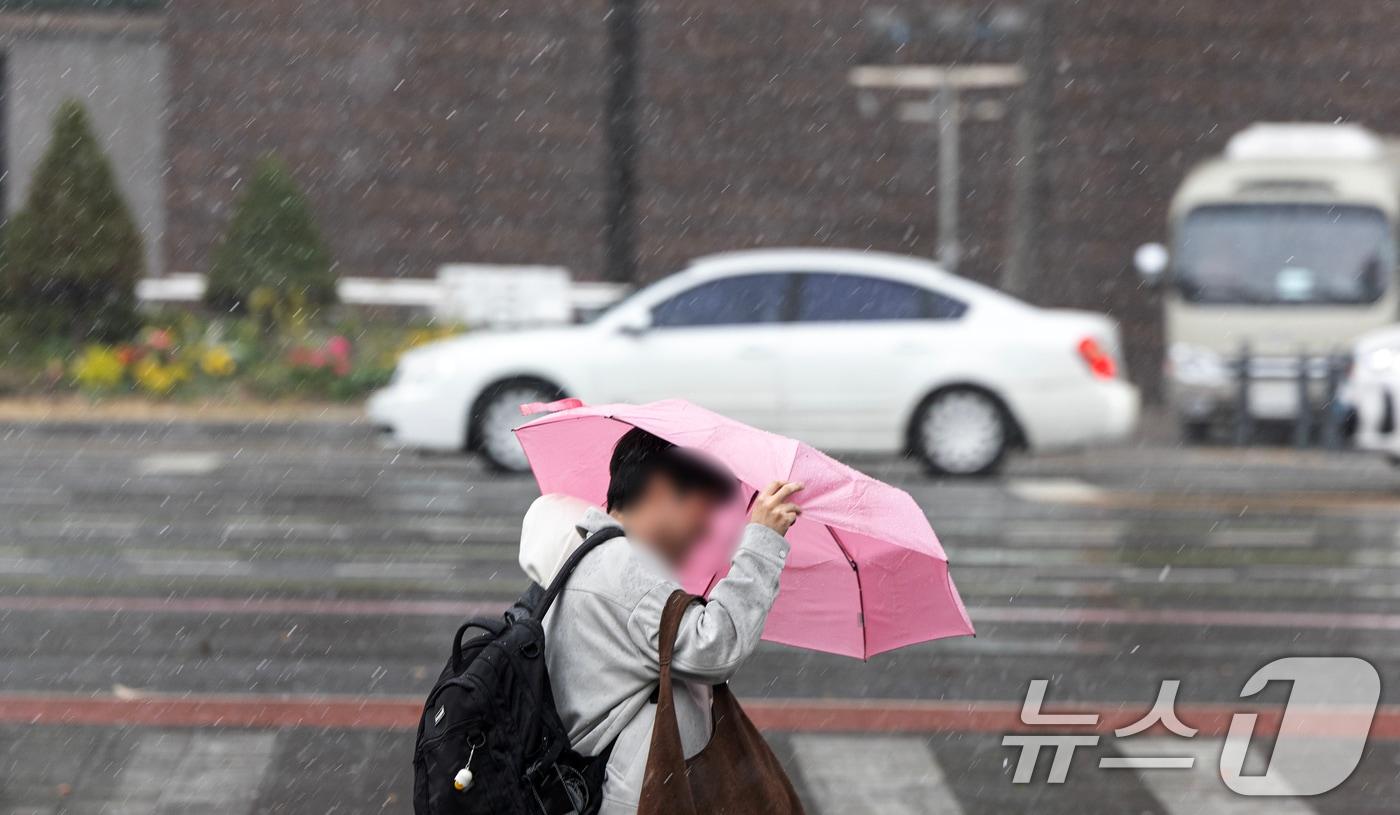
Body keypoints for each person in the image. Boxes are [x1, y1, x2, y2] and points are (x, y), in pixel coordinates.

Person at [518, 427, 803, 814]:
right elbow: (712, 648)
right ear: (659, 489)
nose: (705, 529)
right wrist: (763, 541)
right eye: (703, 510)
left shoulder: (588, 556)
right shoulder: (618, 565)